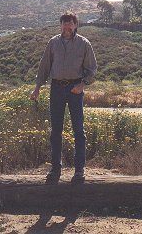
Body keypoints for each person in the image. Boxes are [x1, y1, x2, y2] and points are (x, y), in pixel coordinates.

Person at [30, 11, 97, 184]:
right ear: (60, 25)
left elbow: (92, 70)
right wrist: (37, 88)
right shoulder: (53, 43)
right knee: (56, 131)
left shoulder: (84, 43)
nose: (67, 26)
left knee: (79, 130)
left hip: (75, 89)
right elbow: (44, 67)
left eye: (70, 23)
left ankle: (79, 170)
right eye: (64, 23)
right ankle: (55, 169)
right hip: (57, 88)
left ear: (75, 25)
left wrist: (81, 85)